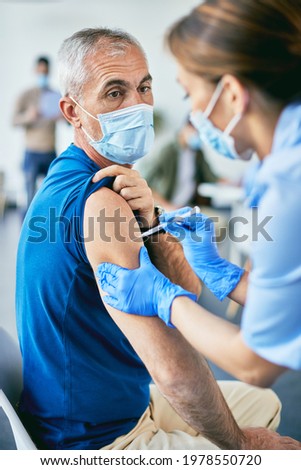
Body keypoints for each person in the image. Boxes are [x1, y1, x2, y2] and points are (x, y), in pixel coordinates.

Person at [16, 27, 299, 451]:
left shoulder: (109, 180)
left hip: (121, 399)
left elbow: (187, 290)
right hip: (99, 438)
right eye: (115, 93)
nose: (138, 106)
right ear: (72, 112)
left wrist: (152, 226)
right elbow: (171, 365)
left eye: (144, 87)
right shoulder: (101, 202)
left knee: (265, 402)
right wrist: (241, 447)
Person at [97, 0, 301, 392]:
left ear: (232, 95)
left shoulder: (288, 190)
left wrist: (165, 299)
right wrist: (223, 273)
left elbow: (257, 364)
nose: (192, 113)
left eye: (189, 94)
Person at [12, 56, 61, 211]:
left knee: (53, 194)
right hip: (32, 152)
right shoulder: (26, 95)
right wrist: (29, 116)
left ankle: (47, 228)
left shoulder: (56, 95)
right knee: (29, 195)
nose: (43, 75)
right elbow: (13, 120)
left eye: (45, 72)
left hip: (50, 151)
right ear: (35, 71)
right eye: (40, 71)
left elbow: (69, 121)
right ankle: (25, 232)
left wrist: (63, 115)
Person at [140, 117, 218, 211]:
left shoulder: (197, 153)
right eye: (197, 132)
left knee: (218, 221)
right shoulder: (167, 151)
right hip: (167, 208)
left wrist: (233, 182)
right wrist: (167, 207)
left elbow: (211, 177)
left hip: (188, 207)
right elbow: (145, 183)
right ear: (186, 128)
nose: (200, 137)